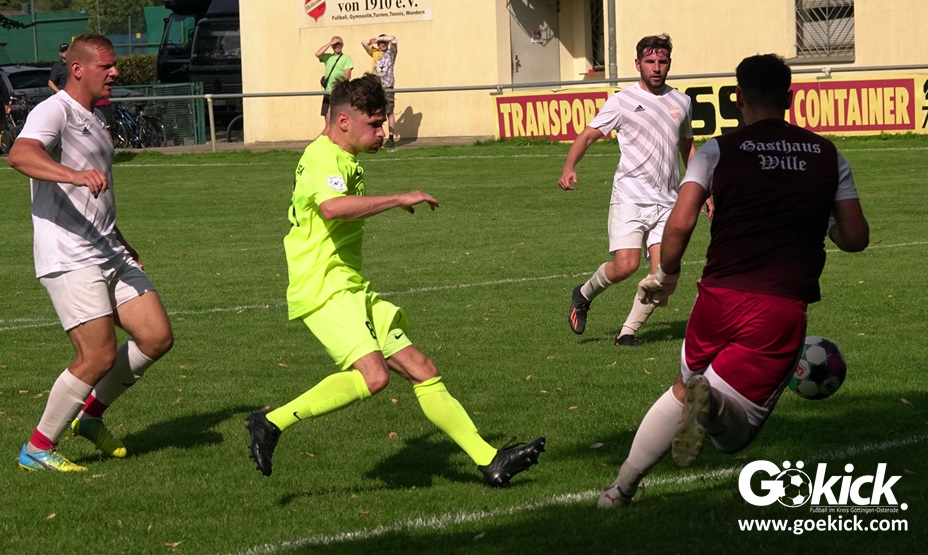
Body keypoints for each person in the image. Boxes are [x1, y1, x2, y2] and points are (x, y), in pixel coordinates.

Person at [597, 53, 869, 508]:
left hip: (717, 298)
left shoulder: (716, 150)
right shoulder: (827, 154)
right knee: (735, 436)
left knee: (681, 389)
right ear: (789, 97)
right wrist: (824, 222)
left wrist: (665, 274)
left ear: (738, 97)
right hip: (778, 307)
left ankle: (619, 490)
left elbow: (681, 222)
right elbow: (856, 237)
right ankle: (714, 405)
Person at [246, 74, 545, 486]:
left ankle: (490, 460)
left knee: (422, 368)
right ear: (344, 121)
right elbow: (333, 208)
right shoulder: (324, 157)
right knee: (374, 377)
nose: (383, 133)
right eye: (374, 124)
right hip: (324, 287)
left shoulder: (340, 156)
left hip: (349, 286)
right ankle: (271, 422)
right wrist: (399, 198)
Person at [8, 34, 174, 472]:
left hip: (108, 248)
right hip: (69, 254)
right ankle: (37, 449)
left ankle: (90, 417)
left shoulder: (96, 118)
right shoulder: (54, 110)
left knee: (156, 336)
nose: (115, 72)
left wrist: (120, 237)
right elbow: (20, 155)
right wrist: (73, 175)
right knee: (97, 355)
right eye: (107, 66)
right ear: (78, 69)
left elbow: (97, 196)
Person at [559, 33, 696, 347]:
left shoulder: (682, 102)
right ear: (638, 64)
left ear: (669, 63)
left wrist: (701, 189)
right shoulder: (622, 101)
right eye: (650, 61)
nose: (657, 67)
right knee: (626, 266)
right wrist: (569, 166)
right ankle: (583, 294)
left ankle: (627, 333)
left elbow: (688, 147)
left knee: (662, 276)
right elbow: (588, 136)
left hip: (668, 201)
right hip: (630, 196)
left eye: (662, 61)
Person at [361, 34, 397, 148]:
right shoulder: (375, 52)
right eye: (381, 43)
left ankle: (391, 138)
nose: (383, 44)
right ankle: (374, 136)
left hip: (387, 87)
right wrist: (373, 41)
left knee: (389, 112)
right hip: (375, 87)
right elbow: (363, 43)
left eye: (384, 42)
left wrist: (379, 39)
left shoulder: (391, 52)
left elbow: (394, 39)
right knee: (374, 112)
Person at [316, 36, 353, 119]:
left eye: (339, 44)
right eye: (335, 44)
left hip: (339, 93)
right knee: (327, 117)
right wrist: (330, 43)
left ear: (342, 45)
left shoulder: (346, 58)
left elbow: (347, 78)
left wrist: (337, 89)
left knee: (339, 118)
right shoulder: (328, 57)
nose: (337, 46)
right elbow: (318, 54)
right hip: (327, 92)